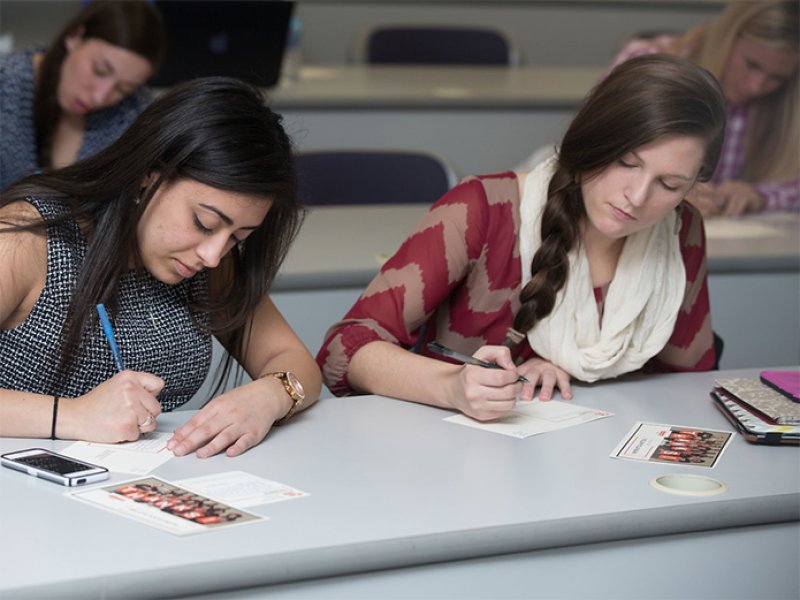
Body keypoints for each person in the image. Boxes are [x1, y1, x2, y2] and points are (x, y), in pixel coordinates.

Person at [317, 55, 725, 422]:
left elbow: (687, 384)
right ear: (592, 139)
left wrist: (573, 377)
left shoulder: (680, 229)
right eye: (626, 163)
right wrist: (450, 385)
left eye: (670, 185)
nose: (637, 198)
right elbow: (347, 346)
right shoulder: (482, 207)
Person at [0, 76, 321, 457]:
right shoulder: (24, 238)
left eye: (238, 236)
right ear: (147, 177)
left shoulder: (206, 262)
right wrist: (70, 416)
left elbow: (293, 360)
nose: (214, 255)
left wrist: (271, 395)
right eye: (204, 223)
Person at [523, 1, 798, 216]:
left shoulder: (786, 103)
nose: (757, 85)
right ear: (727, 37)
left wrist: (761, 195)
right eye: (752, 64)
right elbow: (591, 149)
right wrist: (670, 191)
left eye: (777, 78)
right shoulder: (647, 61)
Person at [0, 0, 166, 191]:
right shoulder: (6, 86)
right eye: (99, 71)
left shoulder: (136, 112)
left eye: (123, 89)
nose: (100, 97)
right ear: (75, 37)